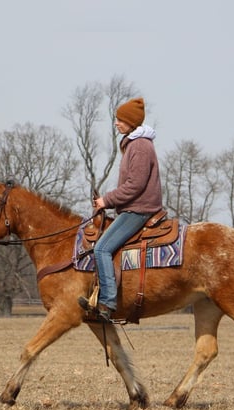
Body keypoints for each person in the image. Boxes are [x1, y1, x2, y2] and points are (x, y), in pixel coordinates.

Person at [80, 97, 164, 322]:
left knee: (102, 249)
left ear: (131, 122)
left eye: (120, 120)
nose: (116, 123)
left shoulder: (140, 146)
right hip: (134, 207)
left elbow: (135, 185)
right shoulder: (135, 144)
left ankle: (107, 303)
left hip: (139, 209)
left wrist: (106, 201)